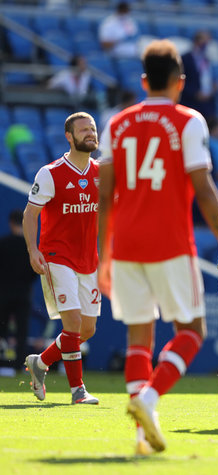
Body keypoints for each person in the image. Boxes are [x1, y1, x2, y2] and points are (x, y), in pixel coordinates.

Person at [97, 39, 218, 454]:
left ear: (143, 81)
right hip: (171, 243)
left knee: (138, 338)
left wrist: (104, 255)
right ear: (180, 82)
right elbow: (205, 190)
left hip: (125, 246)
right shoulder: (189, 120)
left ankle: (142, 435)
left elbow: (105, 196)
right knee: (192, 331)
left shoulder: (116, 123)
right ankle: (150, 399)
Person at [23, 111, 101, 405]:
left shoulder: (101, 173)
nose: (90, 133)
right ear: (69, 137)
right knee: (73, 324)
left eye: (92, 129)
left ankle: (40, 363)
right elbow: (31, 214)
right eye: (83, 130)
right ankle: (77, 390)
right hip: (57, 257)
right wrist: (33, 249)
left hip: (88, 259)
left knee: (87, 329)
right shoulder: (51, 173)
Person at [0, 210, 37, 373]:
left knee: (2, 329)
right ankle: (19, 365)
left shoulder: (3, 243)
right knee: (22, 331)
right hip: (23, 293)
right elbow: (35, 271)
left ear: (10, 222)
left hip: (4, 293)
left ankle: (2, 361)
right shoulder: (30, 247)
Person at [181, 30, 217, 122]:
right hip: (190, 103)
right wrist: (195, 94)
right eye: (204, 40)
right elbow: (181, 81)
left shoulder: (207, 59)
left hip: (207, 105)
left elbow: (208, 78)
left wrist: (213, 88)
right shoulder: (185, 59)